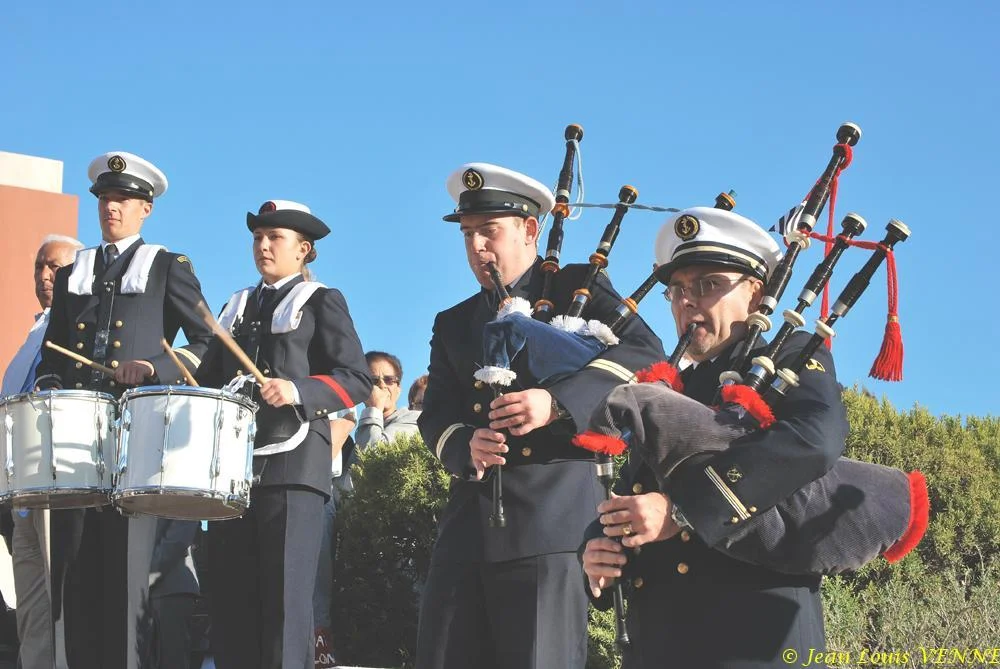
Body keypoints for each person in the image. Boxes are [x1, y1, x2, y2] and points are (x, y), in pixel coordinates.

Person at [415, 163, 664, 668]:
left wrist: (557, 403)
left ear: (530, 230)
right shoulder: (455, 322)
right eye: (468, 234)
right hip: (469, 526)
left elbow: (645, 356)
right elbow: (435, 411)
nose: (477, 246)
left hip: (553, 523)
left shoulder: (580, 285)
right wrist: (466, 443)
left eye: (490, 231)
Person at [581, 206, 851, 668]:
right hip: (659, 644)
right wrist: (600, 551)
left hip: (754, 641)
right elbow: (638, 493)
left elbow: (814, 439)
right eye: (677, 289)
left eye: (707, 284)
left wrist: (683, 511)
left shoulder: (791, 354)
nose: (687, 301)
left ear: (756, 292)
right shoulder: (670, 387)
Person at [34, 152, 213, 669]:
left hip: (135, 439)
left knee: (128, 572)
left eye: (125, 200)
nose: (113, 208)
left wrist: (155, 366)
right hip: (75, 443)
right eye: (107, 199)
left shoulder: (166, 266)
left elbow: (205, 344)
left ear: (145, 209)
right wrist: (51, 389)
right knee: (76, 570)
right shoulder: (73, 274)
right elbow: (53, 354)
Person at [196, 199, 371, 669]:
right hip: (233, 471)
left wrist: (297, 389)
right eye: (258, 237)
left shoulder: (322, 300)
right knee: (232, 607)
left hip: (294, 468)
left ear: (304, 249)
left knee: (286, 608)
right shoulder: (236, 304)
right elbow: (208, 378)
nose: (263, 245)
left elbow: (355, 378)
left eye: (274, 238)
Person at [1, 234, 81, 669]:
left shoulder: (76, 329)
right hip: (21, 491)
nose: (45, 275)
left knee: (63, 605)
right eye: (39, 266)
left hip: (59, 481)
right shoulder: (34, 331)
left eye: (56, 267)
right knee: (30, 612)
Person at [355, 351, 421, 449]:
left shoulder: (414, 419)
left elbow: (373, 455)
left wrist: (374, 408)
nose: (382, 385)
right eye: (373, 381)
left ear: (398, 389)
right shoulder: (357, 435)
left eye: (389, 380)